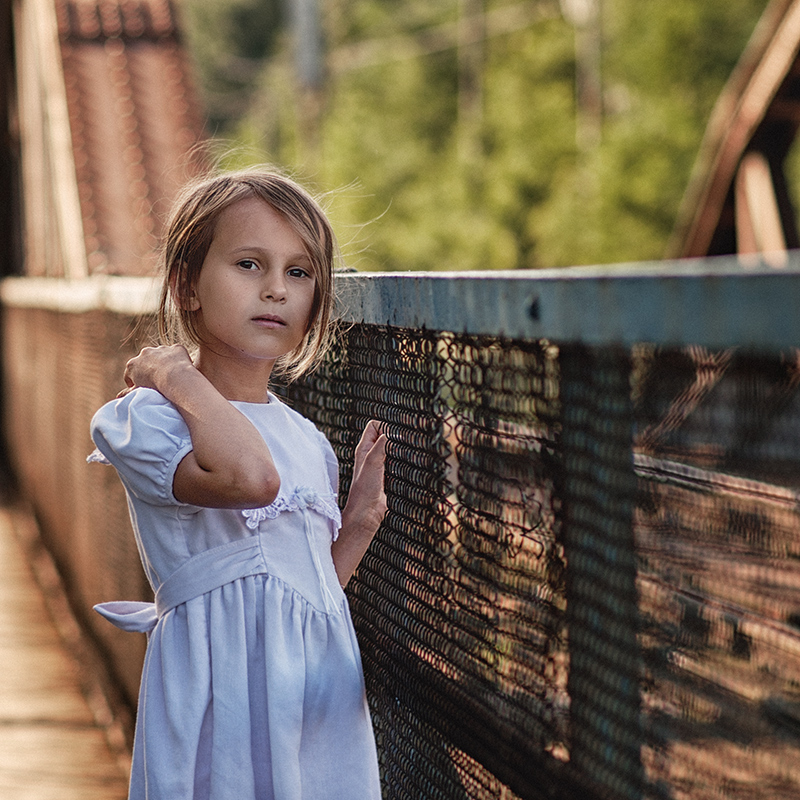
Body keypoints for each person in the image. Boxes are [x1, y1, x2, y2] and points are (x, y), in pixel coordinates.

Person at [88, 168, 387, 800]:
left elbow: (304, 593)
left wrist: (357, 527)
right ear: (186, 285)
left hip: (315, 698)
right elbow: (250, 479)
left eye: (299, 273)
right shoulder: (149, 416)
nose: (276, 290)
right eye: (249, 265)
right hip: (219, 696)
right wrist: (172, 373)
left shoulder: (306, 438)